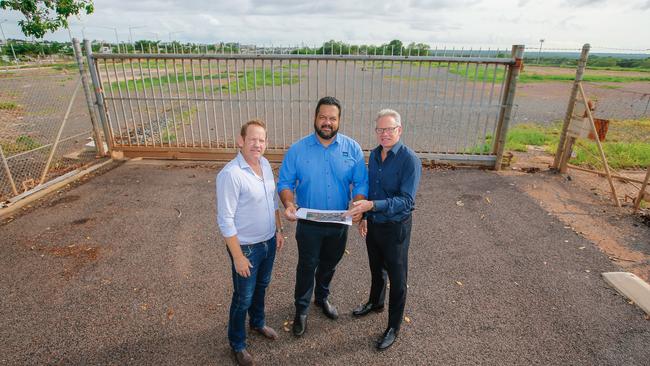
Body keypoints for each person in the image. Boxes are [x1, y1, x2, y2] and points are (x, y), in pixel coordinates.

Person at [278, 96, 368, 337]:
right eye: (322, 117)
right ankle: (302, 309)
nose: (327, 122)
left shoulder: (353, 149)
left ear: (339, 121)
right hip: (308, 223)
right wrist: (288, 203)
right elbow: (285, 182)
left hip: (339, 222)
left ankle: (322, 298)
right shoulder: (298, 150)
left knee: (329, 263)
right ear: (315, 119)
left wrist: (358, 204)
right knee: (307, 266)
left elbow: (360, 182)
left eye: (332, 118)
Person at [345, 109, 422, 350]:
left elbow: (407, 201)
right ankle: (375, 303)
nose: (385, 134)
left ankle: (393, 327)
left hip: (396, 228)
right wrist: (366, 215)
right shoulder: (376, 155)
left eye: (390, 129)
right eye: (380, 130)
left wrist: (372, 206)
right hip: (375, 223)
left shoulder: (410, 160)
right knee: (376, 268)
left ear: (399, 130)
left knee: (398, 279)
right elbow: (372, 189)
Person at [216, 119, 285, 366]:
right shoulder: (231, 175)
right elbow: (225, 220)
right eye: (253, 139)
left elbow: (273, 201)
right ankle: (237, 344)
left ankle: (257, 323)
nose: (258, 144)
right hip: (245, 248)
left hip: (268, 242)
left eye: (262, 140)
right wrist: (238, 256)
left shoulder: (265, 165)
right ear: (241, 140)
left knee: (261, 287)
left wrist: (278, 230)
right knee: (242, 297)